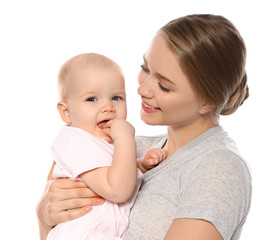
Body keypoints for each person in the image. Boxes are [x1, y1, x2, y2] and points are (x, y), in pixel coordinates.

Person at [37, 14, 252, 240]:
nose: (142, 90)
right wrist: (44, 220)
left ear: (206, 101)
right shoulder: (125, 148)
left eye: (163, 86)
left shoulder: (218, 167)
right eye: (145, 67)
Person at [46, 53, 167, 240]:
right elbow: (117, 190)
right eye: (92, 99)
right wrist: (126, 139)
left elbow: (111, 172)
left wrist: (140, 165)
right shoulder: (76, 142)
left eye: (116, 98)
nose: (108, 107)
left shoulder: (98, 142)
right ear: (66, 112)